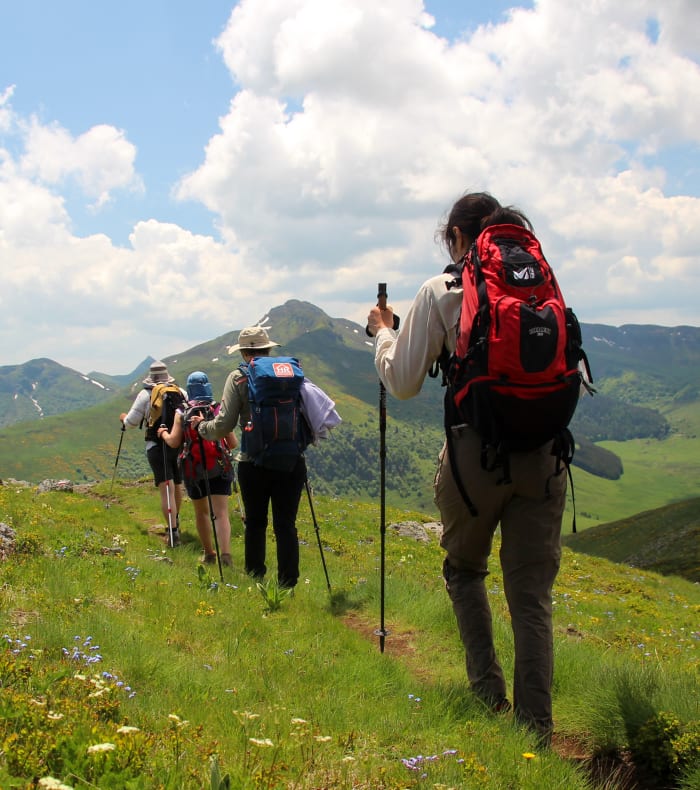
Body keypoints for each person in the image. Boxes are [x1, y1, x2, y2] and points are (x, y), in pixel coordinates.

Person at [366, 191, 567, 746]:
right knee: (531, 595)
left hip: (474, 458)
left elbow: (403, 381)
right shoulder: (540, 283)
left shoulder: (441, 289)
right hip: (546, 454)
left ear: (457, 236)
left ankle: (487, 693)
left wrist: (383, 332)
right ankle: (536, 730)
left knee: (465, 570)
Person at [189, 327, 306, 589]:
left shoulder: (238, 377)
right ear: (268, 349)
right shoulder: (291, 372)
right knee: (286, 525)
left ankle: (256, 579)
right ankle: (288, 584)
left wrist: (201, 427)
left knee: (255, 523)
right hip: (292, 459)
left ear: (243, 352)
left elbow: (223, 425)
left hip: (254, 461)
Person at [159, 371, 237, 567]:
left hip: (194, 470)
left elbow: (174, 441)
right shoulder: (217, 409)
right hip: (219, 466)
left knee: (201, 513)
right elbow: (232, 443)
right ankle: (226, 555)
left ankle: (209, 553)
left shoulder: (182, 412)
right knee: (221, 513)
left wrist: (163, 434)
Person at [120, 360, 186, 547]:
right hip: (178, 444)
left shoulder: (145, 394)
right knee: (177, 485)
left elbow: (131, 422)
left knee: (166, 488)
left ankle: (172, 533)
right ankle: (175, 523)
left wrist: (123, 418)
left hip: (156, 446)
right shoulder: (180, 392)